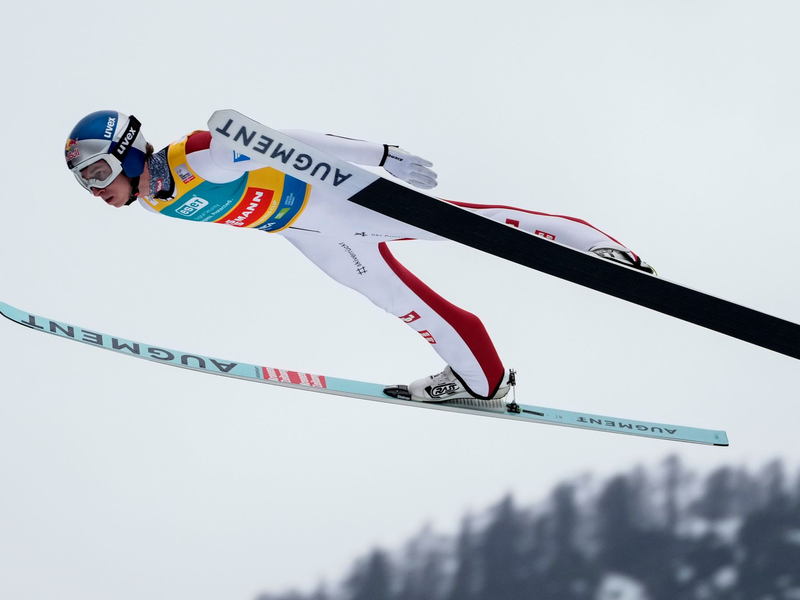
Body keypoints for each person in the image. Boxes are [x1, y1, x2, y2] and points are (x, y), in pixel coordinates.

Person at [65, 110, 654, 404]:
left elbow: (289, 144)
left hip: (332, 204)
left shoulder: (196, 158)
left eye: (96, 171)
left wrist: (381, 155)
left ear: (125, 152)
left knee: (465, 226)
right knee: (397, 300)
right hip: (308, 234)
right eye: (83, 183)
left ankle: (596, 249)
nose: (95, 190)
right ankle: (484, 380)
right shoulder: (154, 203)